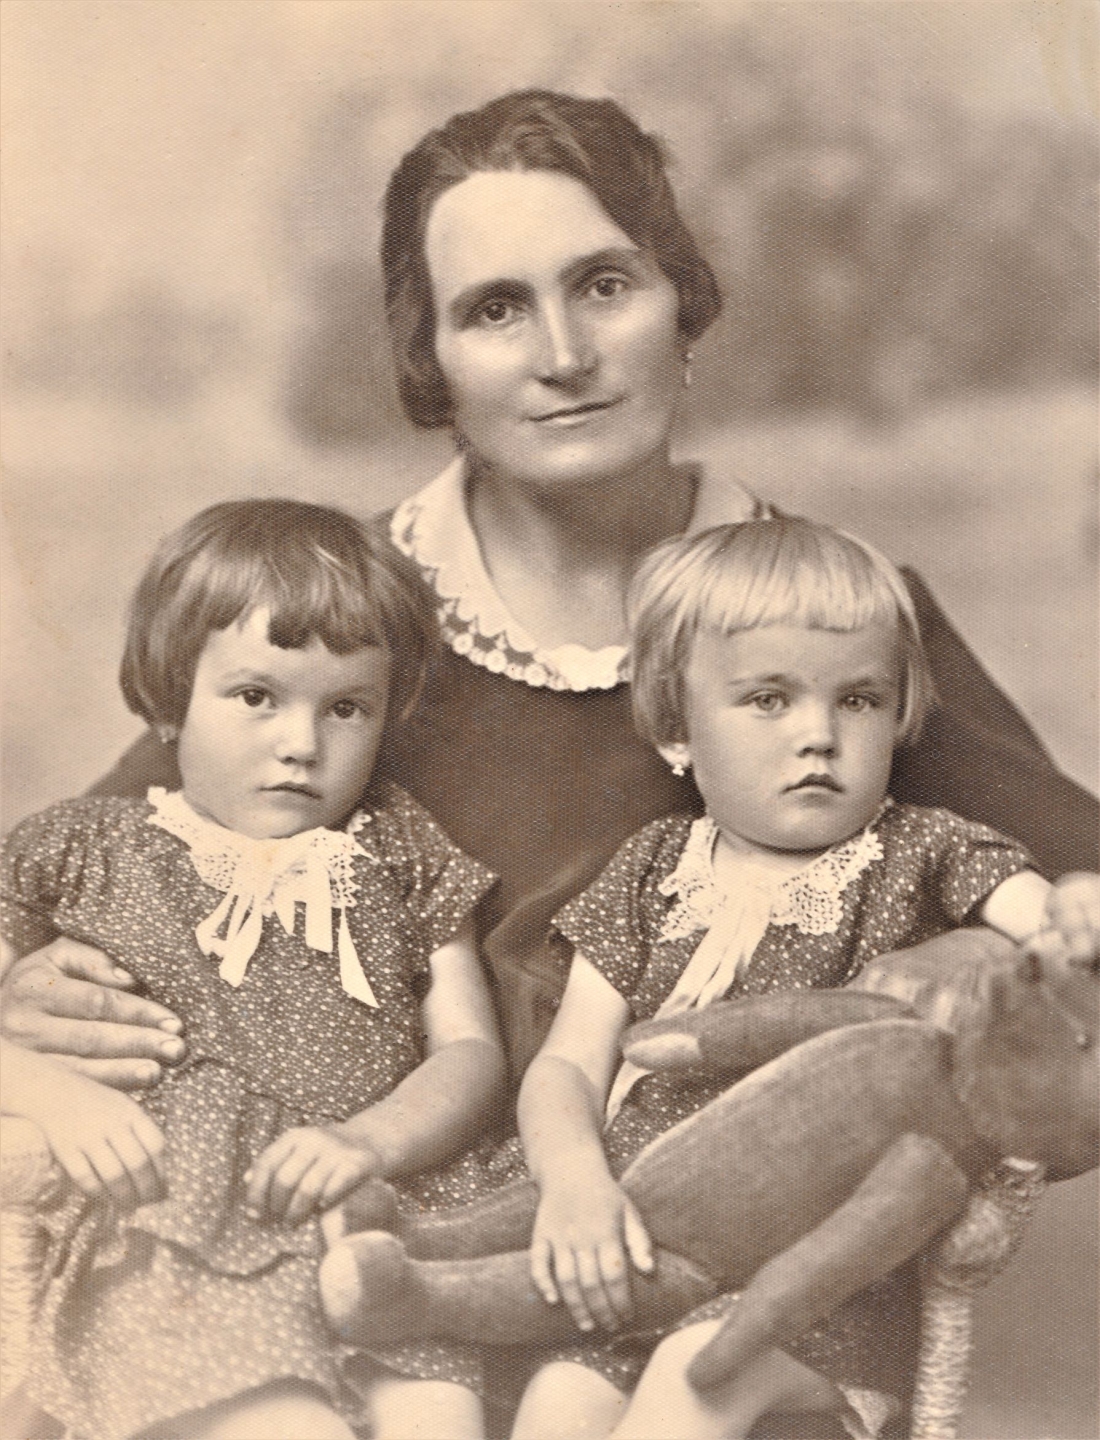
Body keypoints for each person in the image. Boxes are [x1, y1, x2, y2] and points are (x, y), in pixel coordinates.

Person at [3, 90, 1097, 1437]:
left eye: (604, 284)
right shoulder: (337, 615)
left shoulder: (828, 617)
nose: (566, 352)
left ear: (680, 305)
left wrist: (963, 963)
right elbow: (112, 859)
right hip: (342, 1252)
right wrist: (35, 994)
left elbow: (1077, 906)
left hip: (697, 1251)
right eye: (497, 310)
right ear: (434, 365)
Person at [0, 500, 507, 1440]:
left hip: (371, 1217)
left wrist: (373, 1141)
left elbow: (470, 1052)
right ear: (166, 698)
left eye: (346, 707)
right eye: (257, 698)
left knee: (443, 1423)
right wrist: (56, 1096)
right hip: (183, 1232)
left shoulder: (400, 852)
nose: (301, 744)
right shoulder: (86, 850)